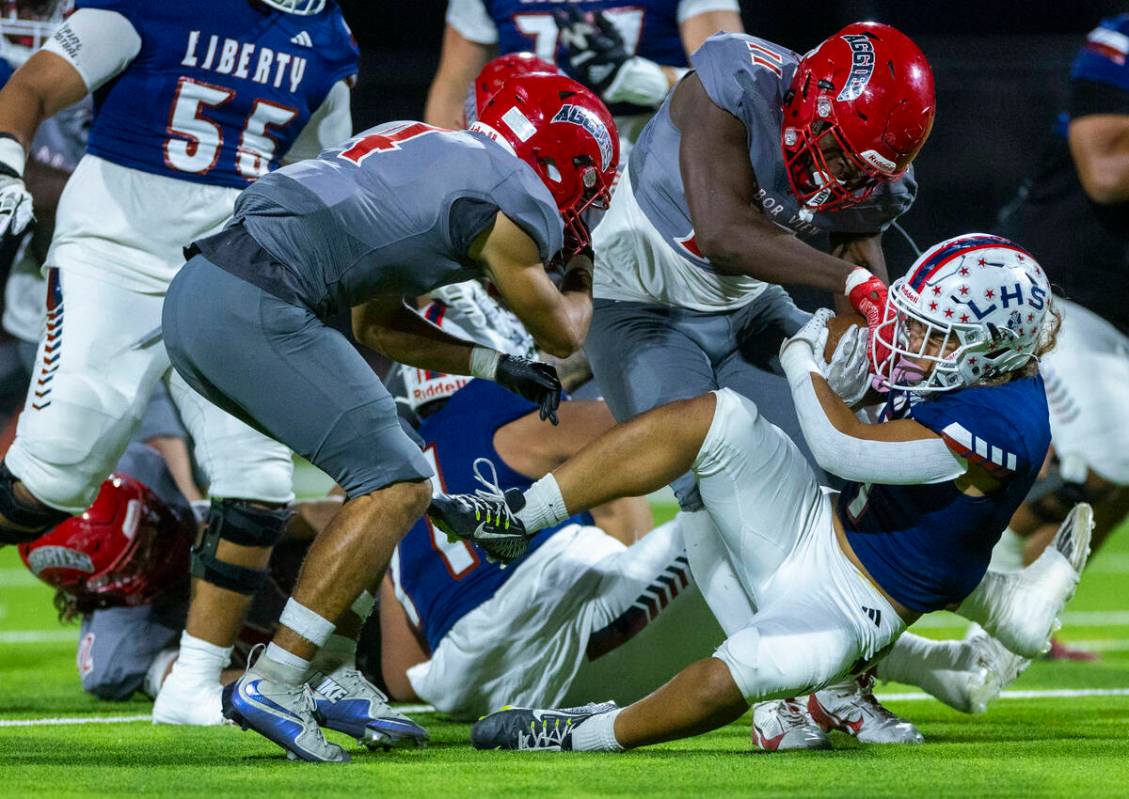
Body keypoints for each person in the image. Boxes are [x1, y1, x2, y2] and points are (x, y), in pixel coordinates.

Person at [430, 234, 1090, 753]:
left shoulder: (1001, 424)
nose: (912, 341)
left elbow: (843, 446)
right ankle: (516, 515)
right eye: (916, 323)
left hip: (856, 602)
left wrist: (804, 355)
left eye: (933, 334)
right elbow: (866, 425)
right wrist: (852, 371)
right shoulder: (981, 365)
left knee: (731, 678)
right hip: (819, 521)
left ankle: (579, 734)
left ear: (993, 350)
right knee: (712, 417)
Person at [161, 73, 617, 762]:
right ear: (557, 160)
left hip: (211, 293)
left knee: (397, 465)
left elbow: (378, 325)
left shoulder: (421, 149)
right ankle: (277, 677)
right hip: (254, 304)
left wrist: (494, 366)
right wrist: (588, 276)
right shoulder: (510, 198)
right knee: (398, 478)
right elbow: (563, 333)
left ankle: (332, 671)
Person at [0, 0, 361, 726]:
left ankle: (191, 684)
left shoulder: (328, 42)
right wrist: (5, 162)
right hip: (115, 256)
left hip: (227, 278)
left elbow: (320, 188)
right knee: (48, 479)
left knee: (258, 482)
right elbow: (30, 86)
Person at [381, 352, 1026, 737]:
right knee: (733, 490)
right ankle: (936, 640)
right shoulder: (486, 406)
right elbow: (652, 427)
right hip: (557, 624)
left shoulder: (394, 492)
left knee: (737, 561)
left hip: (475, 682)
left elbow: (399, 676)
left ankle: (930, 665)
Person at [992, 14, 1129, 659]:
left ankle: (1026, 616)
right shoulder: (1118, 41)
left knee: (1114, 479)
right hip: (1057, 299)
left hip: (1115, 317)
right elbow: (1105, 171)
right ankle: (967, 552)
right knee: (1116, 449)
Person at [424, 0, 743, 156]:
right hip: (531, 169)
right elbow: (452, 101)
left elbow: (736, 86)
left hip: (653, 163)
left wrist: (641, 80)